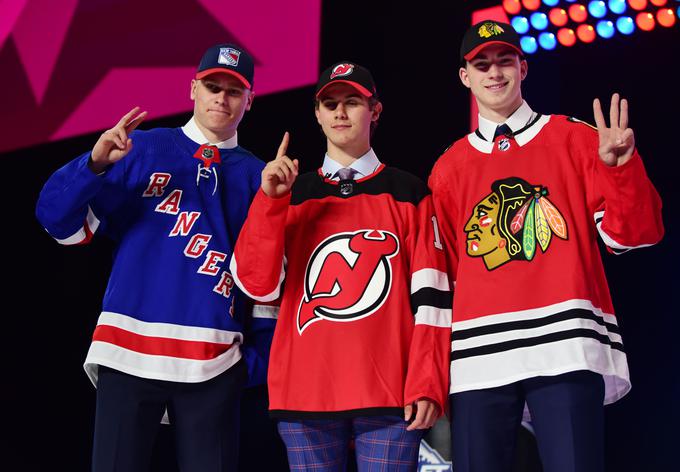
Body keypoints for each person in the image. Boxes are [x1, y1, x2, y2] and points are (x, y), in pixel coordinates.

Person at [428, 20, 664, 472]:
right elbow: (447, 272)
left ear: (523, 67)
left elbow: (634, 235)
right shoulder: (449, 167)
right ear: (465, 77)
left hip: (564, 343)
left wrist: (621, 169)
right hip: (480, 354)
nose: (494, 73)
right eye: (482, 64)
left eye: (504, 61)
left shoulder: (573, 137)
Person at [35, 43, 274, 471]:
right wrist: (92, 165)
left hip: (214, 360)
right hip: (127, 351)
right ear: (192, 89)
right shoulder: (140, 149)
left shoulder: (260, 176)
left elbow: (269, 280)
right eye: (211, 86)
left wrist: (254, 363)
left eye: (233, 91)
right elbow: (58, 224)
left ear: (250, 100)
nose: (221, 97)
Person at [230, 61, 452, 470]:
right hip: (304, 390)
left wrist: (428, 381)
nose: (340, 112)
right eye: (329, 103)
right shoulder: (291, 193)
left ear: (376, 111)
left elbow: (434, 302)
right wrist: (269, 204)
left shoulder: (410, 192)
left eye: (352, 102)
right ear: (317, 114)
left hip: (390, 394)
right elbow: (255, 284)